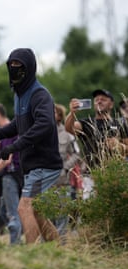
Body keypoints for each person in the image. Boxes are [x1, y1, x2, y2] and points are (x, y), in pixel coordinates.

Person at [0, 48, 62, 244]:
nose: (14, 70)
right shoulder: (19, 95)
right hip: (32, 166)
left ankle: (33, 257)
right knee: (37, 212)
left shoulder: (39, 94)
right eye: (11, 65)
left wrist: (14, 147)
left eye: (19, 66)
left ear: (29, 68)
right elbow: (15, 126)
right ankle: (57, 251)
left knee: (24, 207)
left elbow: (44, 124)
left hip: (43, 164)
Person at [0, 102, 23, 244]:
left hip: (11, 174)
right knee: (4, 210)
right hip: (5, 176)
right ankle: (20, 235)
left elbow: (6, 160)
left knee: (12, 212)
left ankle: (15, 243)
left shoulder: (12, 133)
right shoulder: (4, 134)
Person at [65, 89, 128, 170]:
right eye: (96, 100)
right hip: (91, 173)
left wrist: (119, 146)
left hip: (114, 174)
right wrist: (72, 113)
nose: (99, 101)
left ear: (111, 104)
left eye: (103, 100)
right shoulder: (86, 122)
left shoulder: (119, 124)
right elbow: (69, 129)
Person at [52, 103, 81, 241]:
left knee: (62, 211)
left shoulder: (67, 135)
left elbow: (77, 153)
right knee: (46, 210)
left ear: (59, 116)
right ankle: (47, 242)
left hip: (62, 179)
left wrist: (65, 167)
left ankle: (61, 242)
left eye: (53, 112)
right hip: (43, 178)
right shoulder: (41, 132)